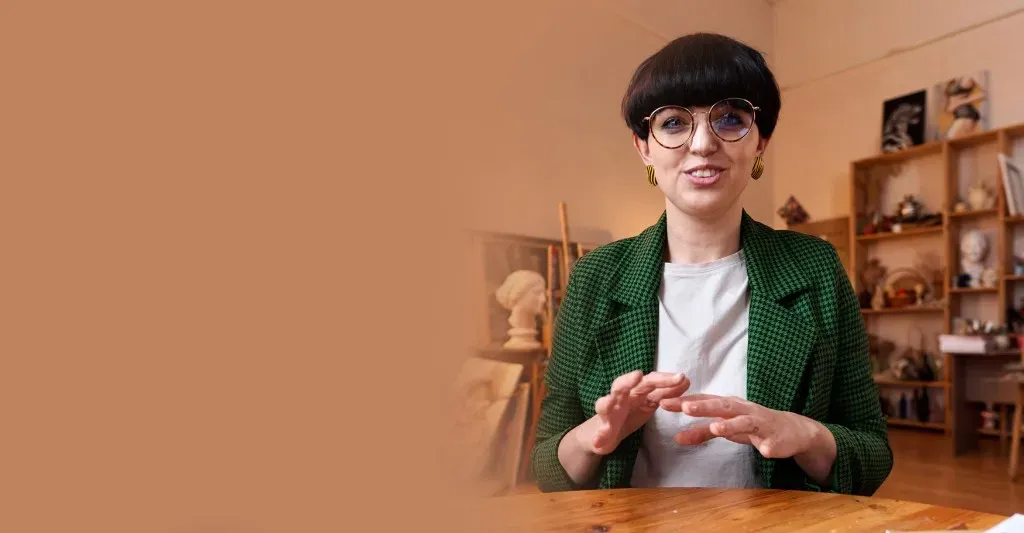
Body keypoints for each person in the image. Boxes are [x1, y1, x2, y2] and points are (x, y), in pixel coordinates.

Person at [530, 33, 892, 495]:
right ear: (643, 147)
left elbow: (872, 457)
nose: (702, 144)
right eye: (673, 123)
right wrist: (596, 436)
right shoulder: (596, 276)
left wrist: (804, 434)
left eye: (730, 119)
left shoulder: (814, 267)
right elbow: (547, 466)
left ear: (761, 141)